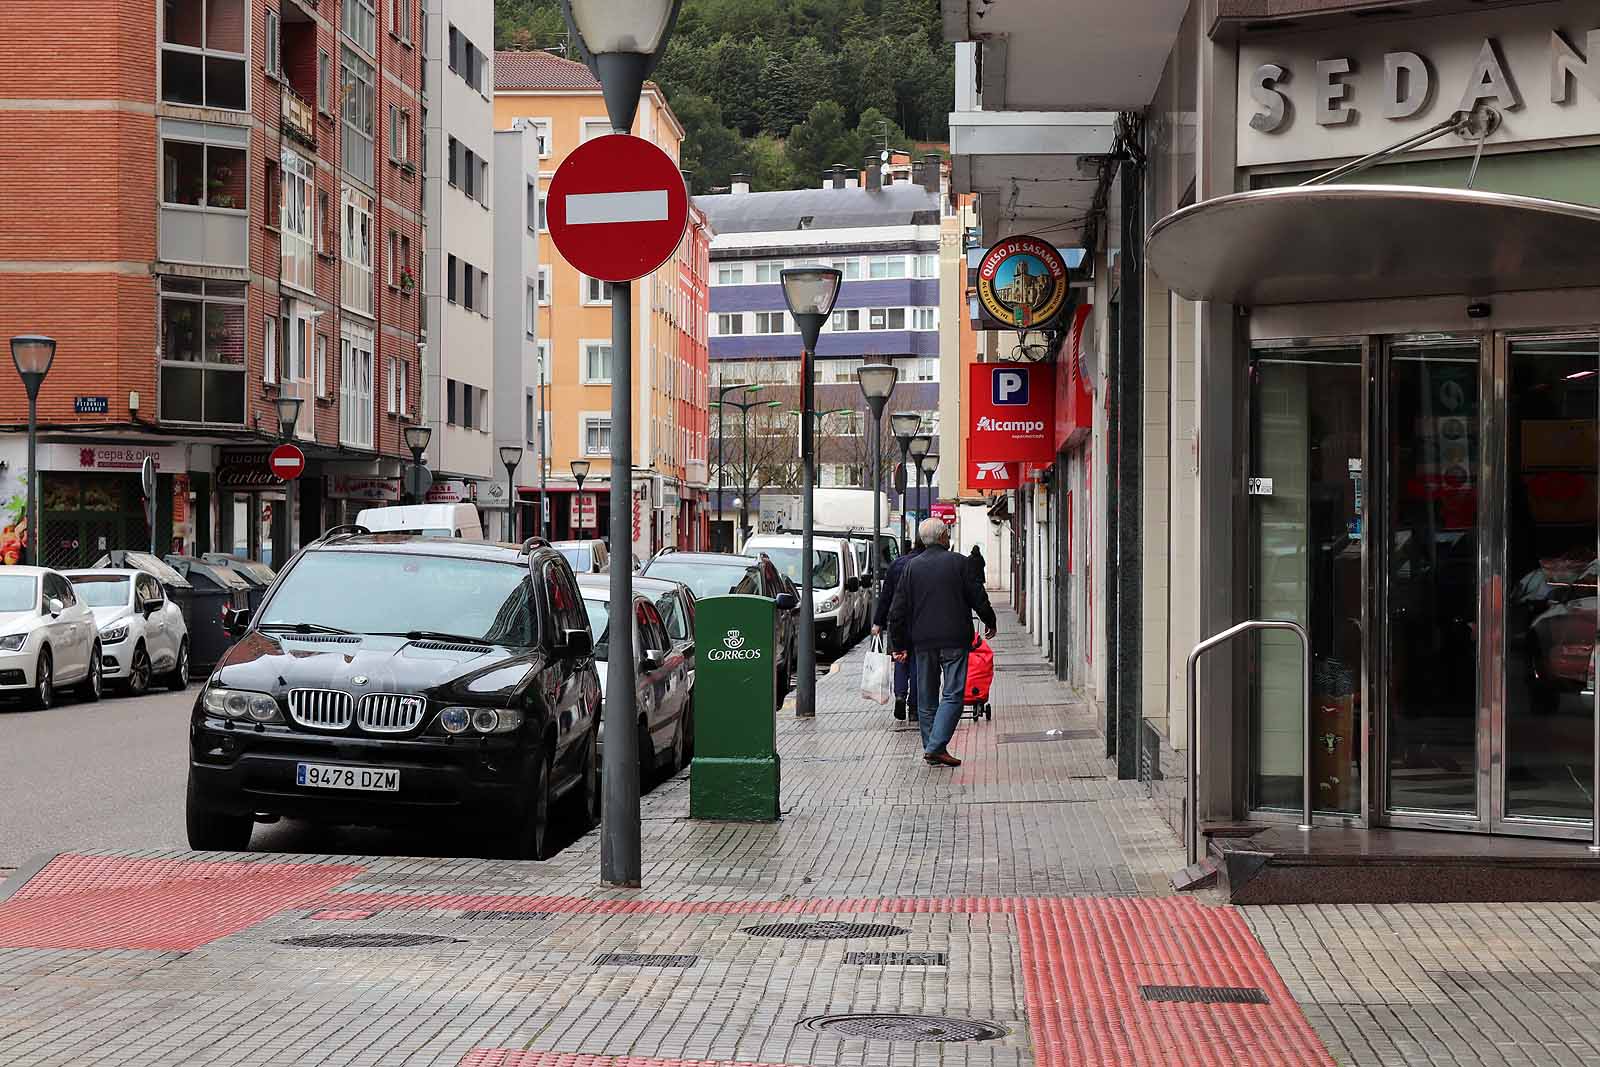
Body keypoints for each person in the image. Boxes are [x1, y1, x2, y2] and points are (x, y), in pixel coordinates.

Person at [889, 518, 998, 767]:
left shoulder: (912, 568)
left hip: (923, 642)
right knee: (953, 695)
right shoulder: (960, 563)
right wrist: (989, 620)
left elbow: (898, 609)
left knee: (926, 698)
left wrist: (898, 645)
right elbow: (977, 596)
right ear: (943, 538)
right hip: (954, 640)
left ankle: (933, 748)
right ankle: (936, 746)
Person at [873, 539, 923, 721]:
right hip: (920, 623)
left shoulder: (896, 565)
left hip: (897, 622)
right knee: (918, 664)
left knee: (900, 660)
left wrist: (877, 623)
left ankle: (900, 696)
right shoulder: (924, 565)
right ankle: (915, 707)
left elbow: (885, 597)